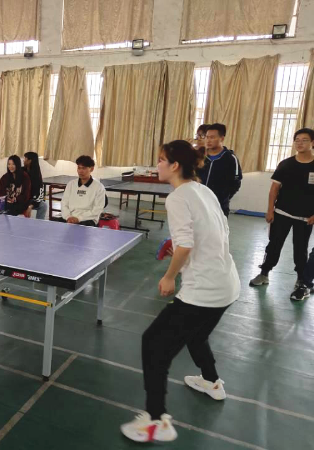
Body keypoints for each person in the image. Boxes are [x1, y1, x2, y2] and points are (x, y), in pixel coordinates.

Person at [121, 140, 240, 444]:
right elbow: (218, 231)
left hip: (204, 291)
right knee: (196, 336)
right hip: (228, 285)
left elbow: (186, 244)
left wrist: (169, 276)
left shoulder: (176, 198)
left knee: (153, 344)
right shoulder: (204, 190)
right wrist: (181, 250)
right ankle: (212, 382)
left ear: (175, 166)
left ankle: (156, 420)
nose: (157, 165)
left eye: (161, 160)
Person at [250, 128, 314, 291]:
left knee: (301, 249)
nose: (299, 143)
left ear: (312, 143)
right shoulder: (286, 164)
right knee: (274, 245)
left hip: (305, 217)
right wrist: (270, 210)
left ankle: (301, 278)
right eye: (297, 140)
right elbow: (274, 189)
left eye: (304, 140)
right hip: (282, 213)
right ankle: (264, 273)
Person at [196, 123, 242, 216]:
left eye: (212, 137)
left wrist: (224, 198)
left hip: (219, 206)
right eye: (207, 137)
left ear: (222, 138)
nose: (208, 140)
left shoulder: (230, 158)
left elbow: (236, 182)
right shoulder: (200, 156)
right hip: (198, 204)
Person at [55, 155, 105, 227]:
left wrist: (78, 218)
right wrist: (68, 217)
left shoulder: (99, 187)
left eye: (84, 168)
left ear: (91, 169)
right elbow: (64, 203)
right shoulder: (71, 184)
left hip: (88, 219)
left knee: (76, 230)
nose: (80, 171)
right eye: (79, 168)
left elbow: (97, 210)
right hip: (70, 218)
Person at [23, 151, 47, 220]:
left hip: (30, 200)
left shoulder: (36, 175)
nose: (23, 160)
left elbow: (40, 194)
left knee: (43, 205)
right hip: (22, 199)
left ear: (29, 161)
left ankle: (39, 224)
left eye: (25, 158)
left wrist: (31, 206)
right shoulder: (21, 171)